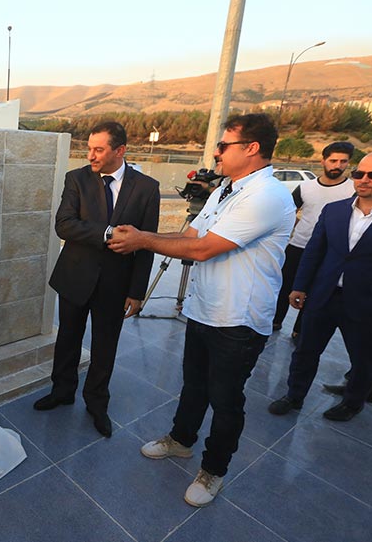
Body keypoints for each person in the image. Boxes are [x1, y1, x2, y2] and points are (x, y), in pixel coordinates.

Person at [109, 113, 295, 507]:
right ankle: (181, 440)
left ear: (252, 148)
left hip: (239, 319)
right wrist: (147, 235)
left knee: (226, 400)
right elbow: (190, 235)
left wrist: (142, 240)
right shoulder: (225, 189)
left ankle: (214, 470)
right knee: (194, 385)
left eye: (224, 145)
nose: (217, 152)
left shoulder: (267, 195)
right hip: (204, 308)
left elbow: (204, 248)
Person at [33, 121, 160, 438]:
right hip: (76, 276)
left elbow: (146, 243)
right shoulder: (76, 179)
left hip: (116, 284)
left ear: (120, 150)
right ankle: (62, 391)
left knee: (105, 346)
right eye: (89, 148)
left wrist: (137, 291)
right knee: (68, 339)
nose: (90, 155)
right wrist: (107, 233)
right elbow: (64, 224)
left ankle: (97, 403)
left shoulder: (146, 188)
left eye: (98, 149)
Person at [268, 150, 372, 422]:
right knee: (305, 351)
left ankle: (352, 403)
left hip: (367, 302)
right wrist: (299, 286)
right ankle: (294, 395)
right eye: (359, 173)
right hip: (324, 296)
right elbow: (314, 251)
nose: (364, 179)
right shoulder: (334, 211)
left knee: (364, 358)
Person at [272, 142, 355, 342]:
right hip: (298, 246)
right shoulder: (305, 187)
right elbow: (287, 212)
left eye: (343, 161)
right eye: (333, 160)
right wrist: (300, 227)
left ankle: (300, 330)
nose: (338, 165)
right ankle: (274, 321)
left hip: (329, 251)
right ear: (323, 161)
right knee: (284, 286)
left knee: (315, 292)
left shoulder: (353, 189)